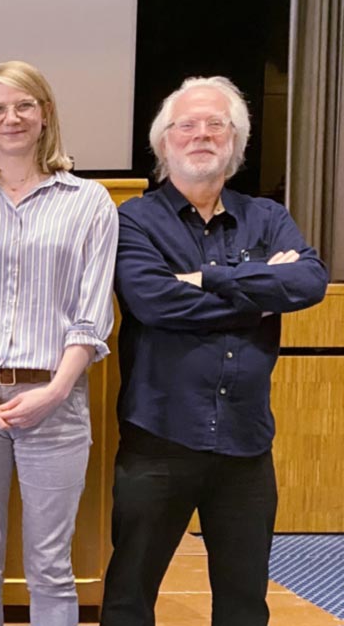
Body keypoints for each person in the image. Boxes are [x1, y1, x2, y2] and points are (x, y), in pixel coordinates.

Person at [101, 76, 328, 626]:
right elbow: (154, 304)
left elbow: (310, 282)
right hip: (159, 438)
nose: (201, 134)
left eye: (216, 124)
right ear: (163, 143)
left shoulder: (267, 217)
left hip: (246, 445)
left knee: (245, 603)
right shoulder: (134, 218)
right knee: (129, 599)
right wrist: (259, 292)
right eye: (187, 125)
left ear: (235, 141)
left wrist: (202, 279)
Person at [0, 60, 118, 626]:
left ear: (45, 115)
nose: (11, 118)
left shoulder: (90, 203)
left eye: (24, 105)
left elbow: (91, 316)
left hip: (55, 404)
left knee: (50, 565)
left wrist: (56, 391)